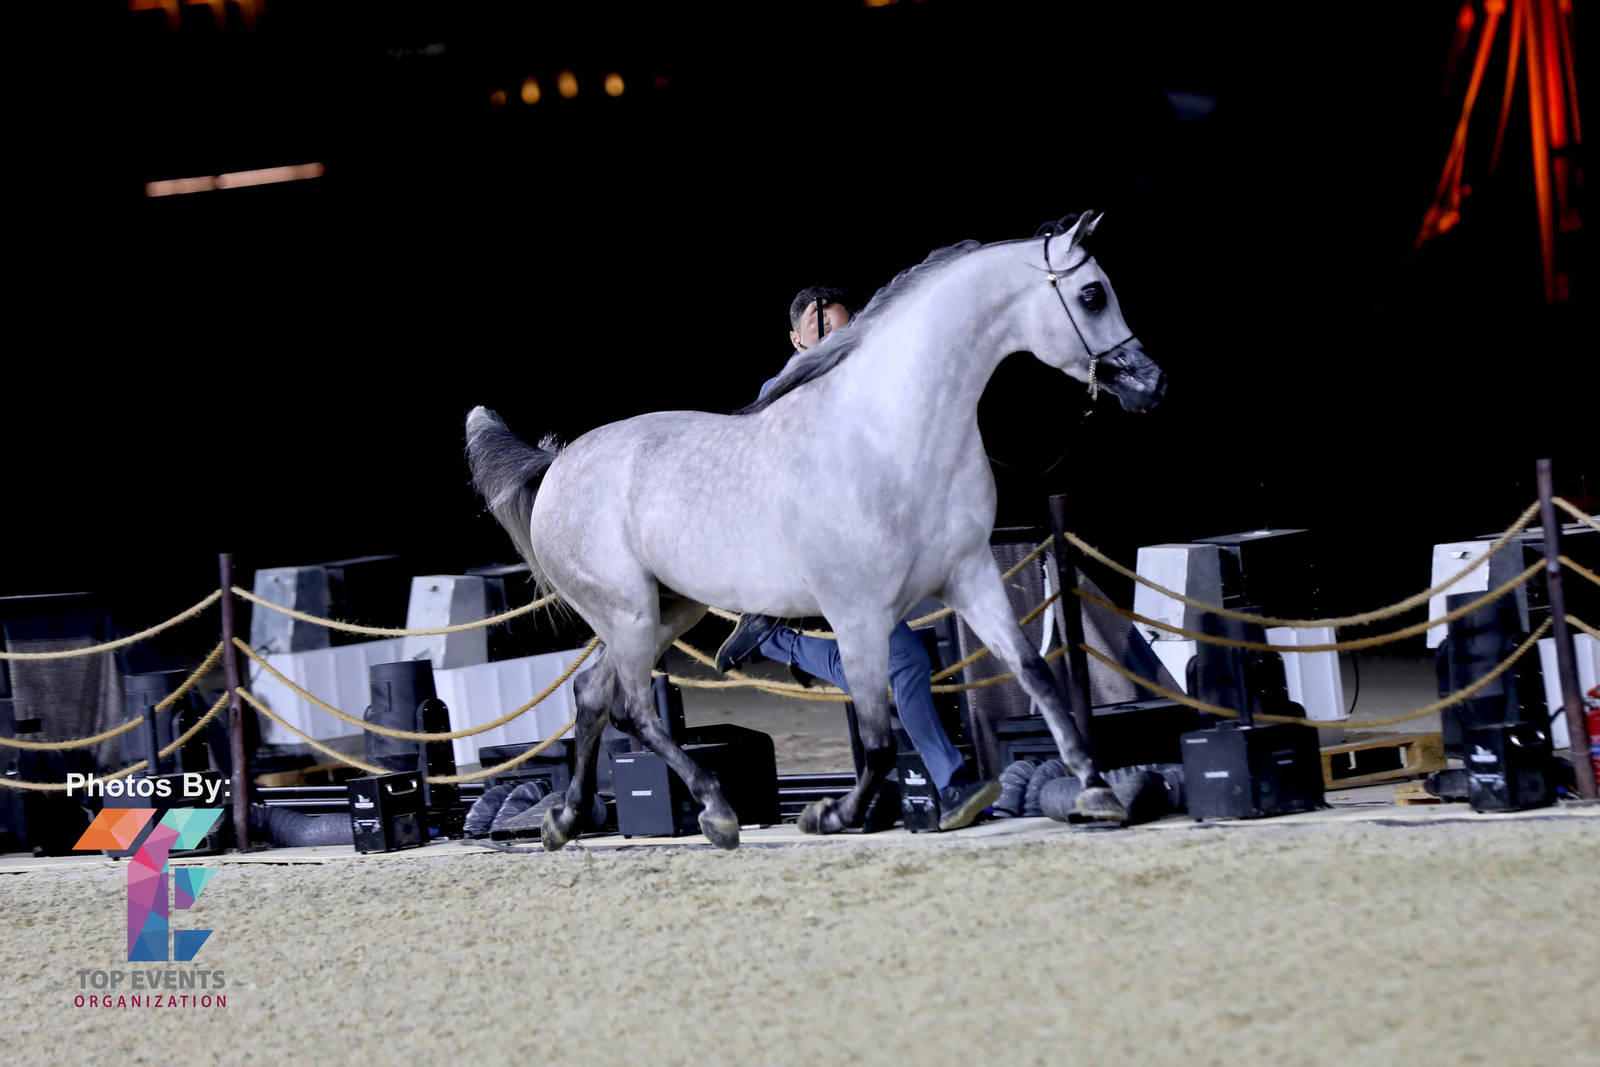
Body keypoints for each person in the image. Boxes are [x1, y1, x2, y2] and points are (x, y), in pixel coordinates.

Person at [714, 286, 1002, 831]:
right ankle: (950, 780)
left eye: (844, 332)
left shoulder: (866, 387)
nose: (835, 342)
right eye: (822, 333)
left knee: (906, 662)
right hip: (811, 565)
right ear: (796, 340)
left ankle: (950, 782)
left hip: (865, 555)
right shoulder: (780, 391)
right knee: (899, 661)